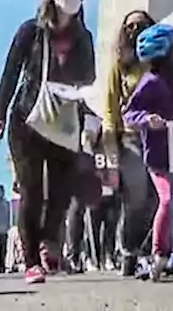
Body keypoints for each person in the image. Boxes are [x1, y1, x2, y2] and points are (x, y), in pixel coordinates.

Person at [0, 0, 96, 284]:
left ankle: (50, 243)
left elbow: (89, 80)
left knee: (63, 191)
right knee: (32, 190)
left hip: (64, 121)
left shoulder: (83, 38)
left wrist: (91, 117)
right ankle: (31, 261)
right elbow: (11, 70)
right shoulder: (31, 31)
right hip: (28, 118)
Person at [120, 25, 173, 281]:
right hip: (160, 155)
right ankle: (158, 252)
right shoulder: (150, 83)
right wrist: (146, 119)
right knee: (166, 199)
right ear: (164, 54)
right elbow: (129, 113)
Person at [102, 10, 158, 278]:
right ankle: (127, 250)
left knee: (158, 199)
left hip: (159, 137)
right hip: (130, 139)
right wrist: (110, 140)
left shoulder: (160, 61)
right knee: (136, 198)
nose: (136, 29)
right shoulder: (120, 65)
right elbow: (111, 106)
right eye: (131, 26)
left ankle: (147, 251)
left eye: (142, 25)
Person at [65, 111, 106, 274]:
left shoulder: (90, 108)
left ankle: (81, 257)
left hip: (88, 160)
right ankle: (75, 256)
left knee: (87, 209)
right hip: (79, 160)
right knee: (78, 208)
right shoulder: (83, 107)